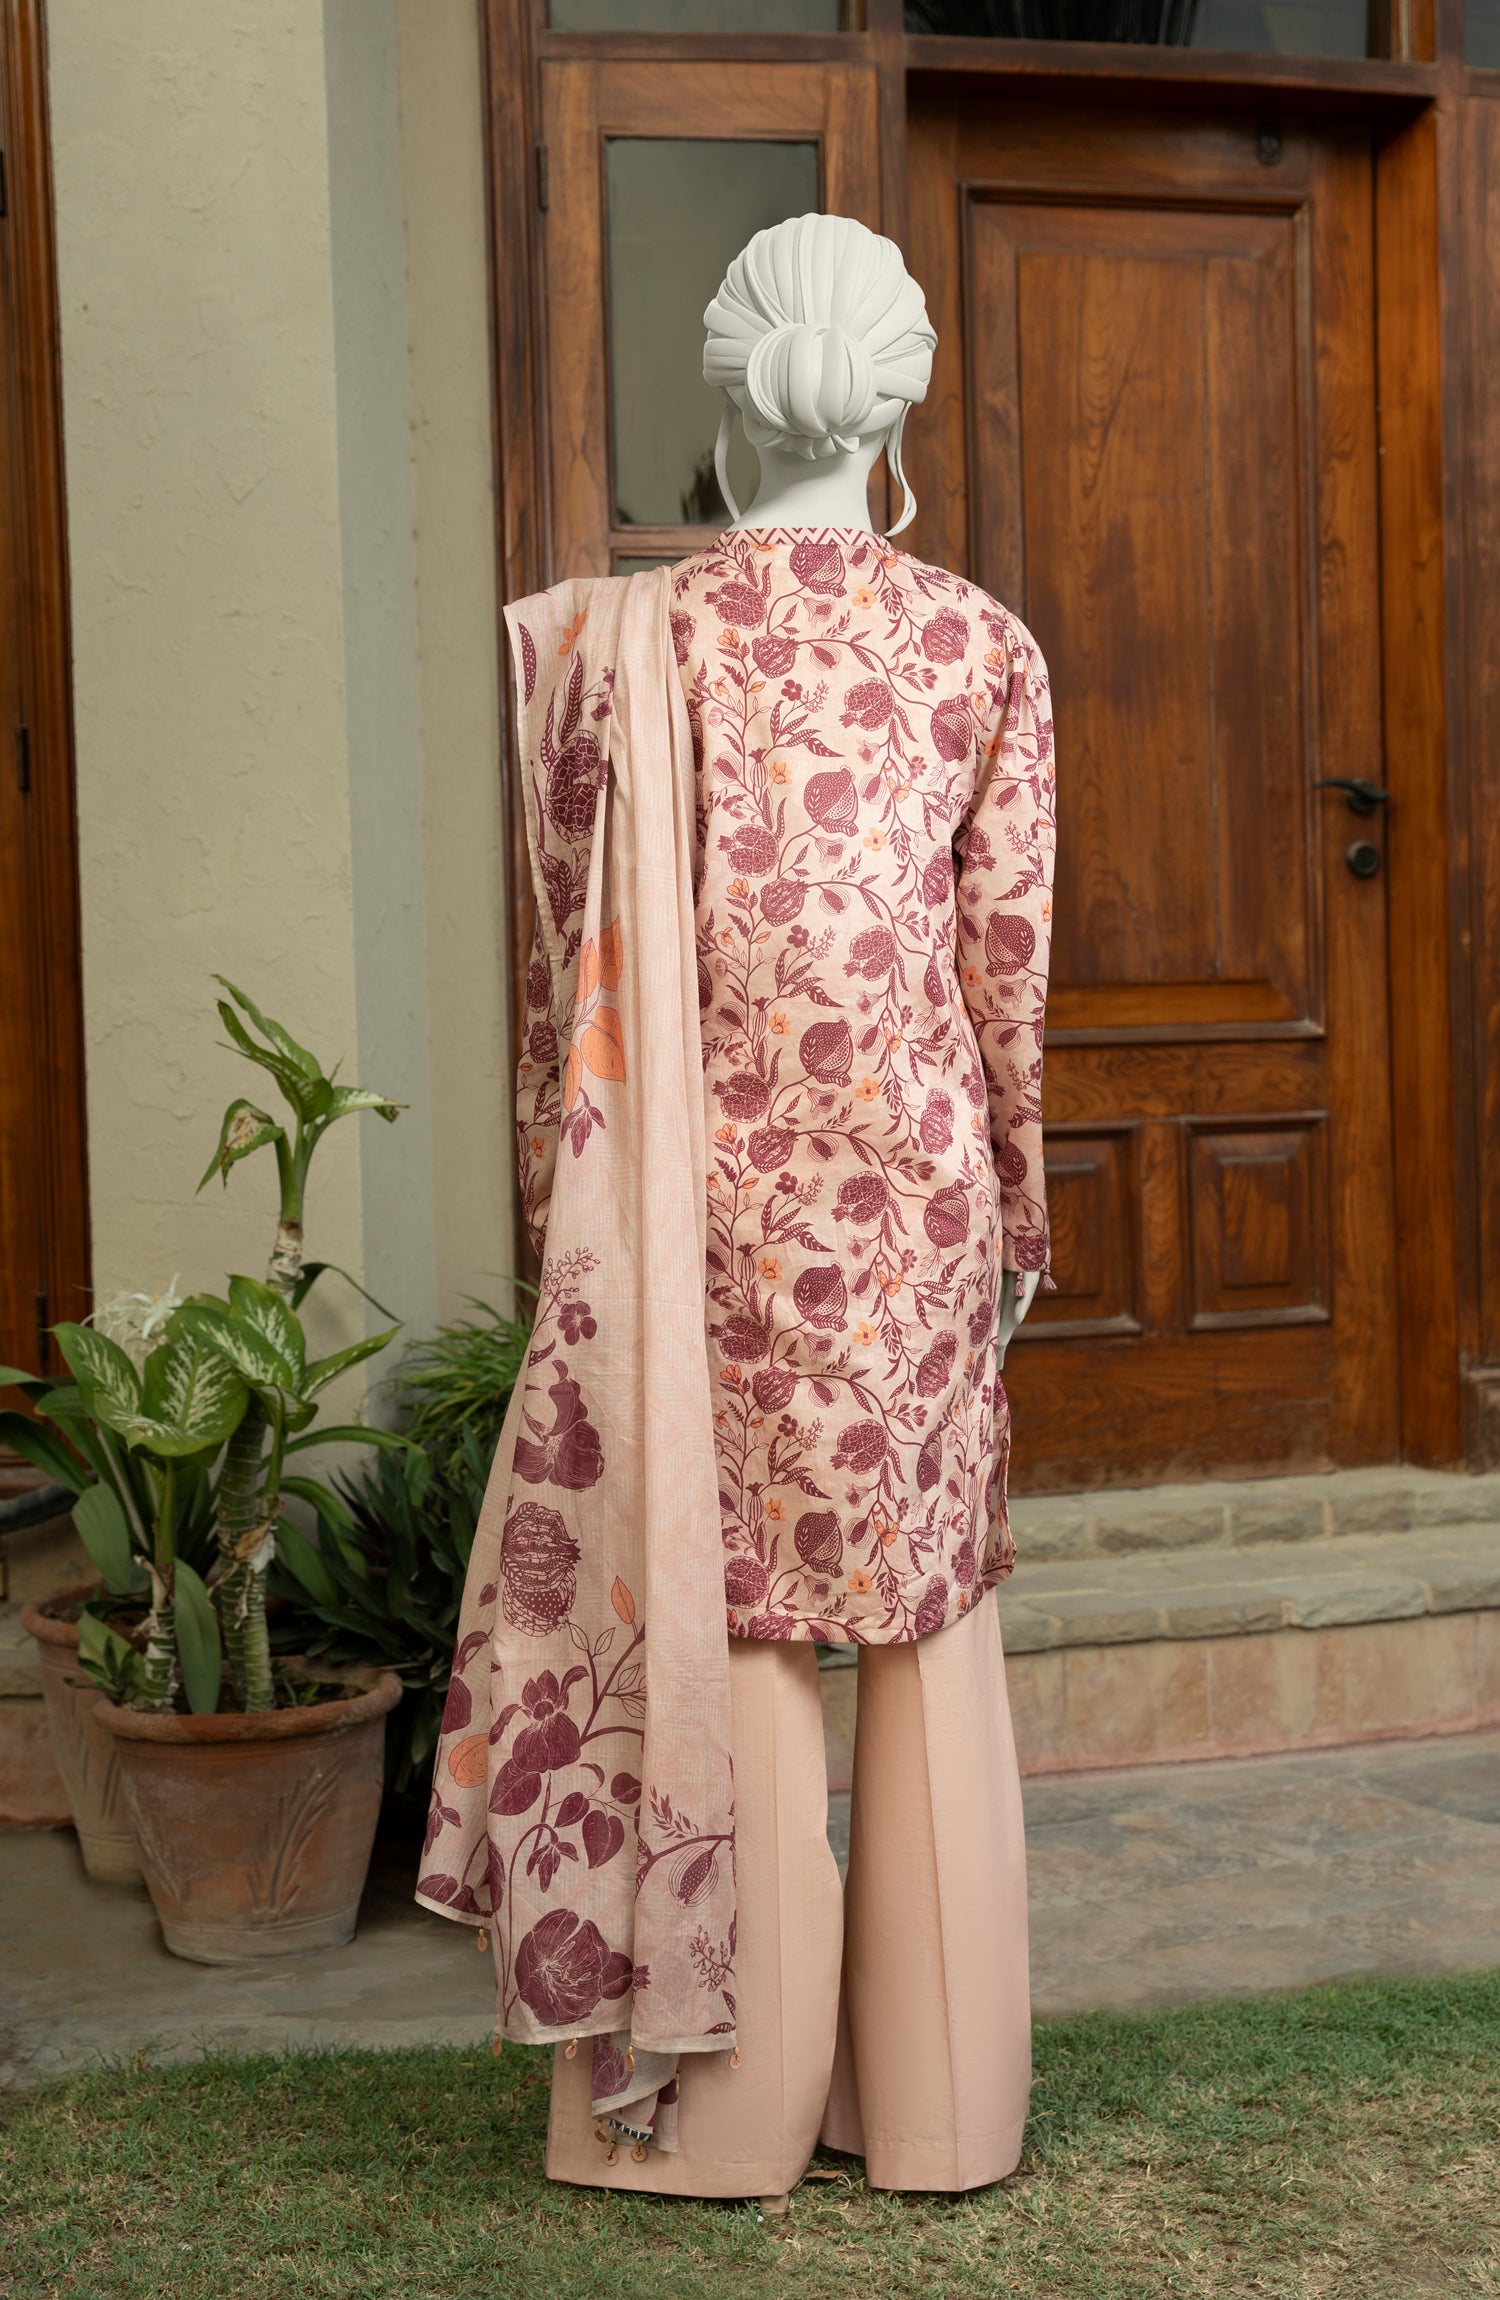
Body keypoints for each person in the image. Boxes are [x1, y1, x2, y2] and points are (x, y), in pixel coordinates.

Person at [419, 213, 1056, 2211]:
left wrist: (564, 1208)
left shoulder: (624, 645)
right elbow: (1004, 978)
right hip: (916, 1210)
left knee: (730, 1633)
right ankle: (942, 2118)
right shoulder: (978, 645)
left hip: (692, 1210)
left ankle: (719, 2118)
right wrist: (1017, 1219)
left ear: (726, 399)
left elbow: (568, 986)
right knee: (930, 1638)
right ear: (896, 407)